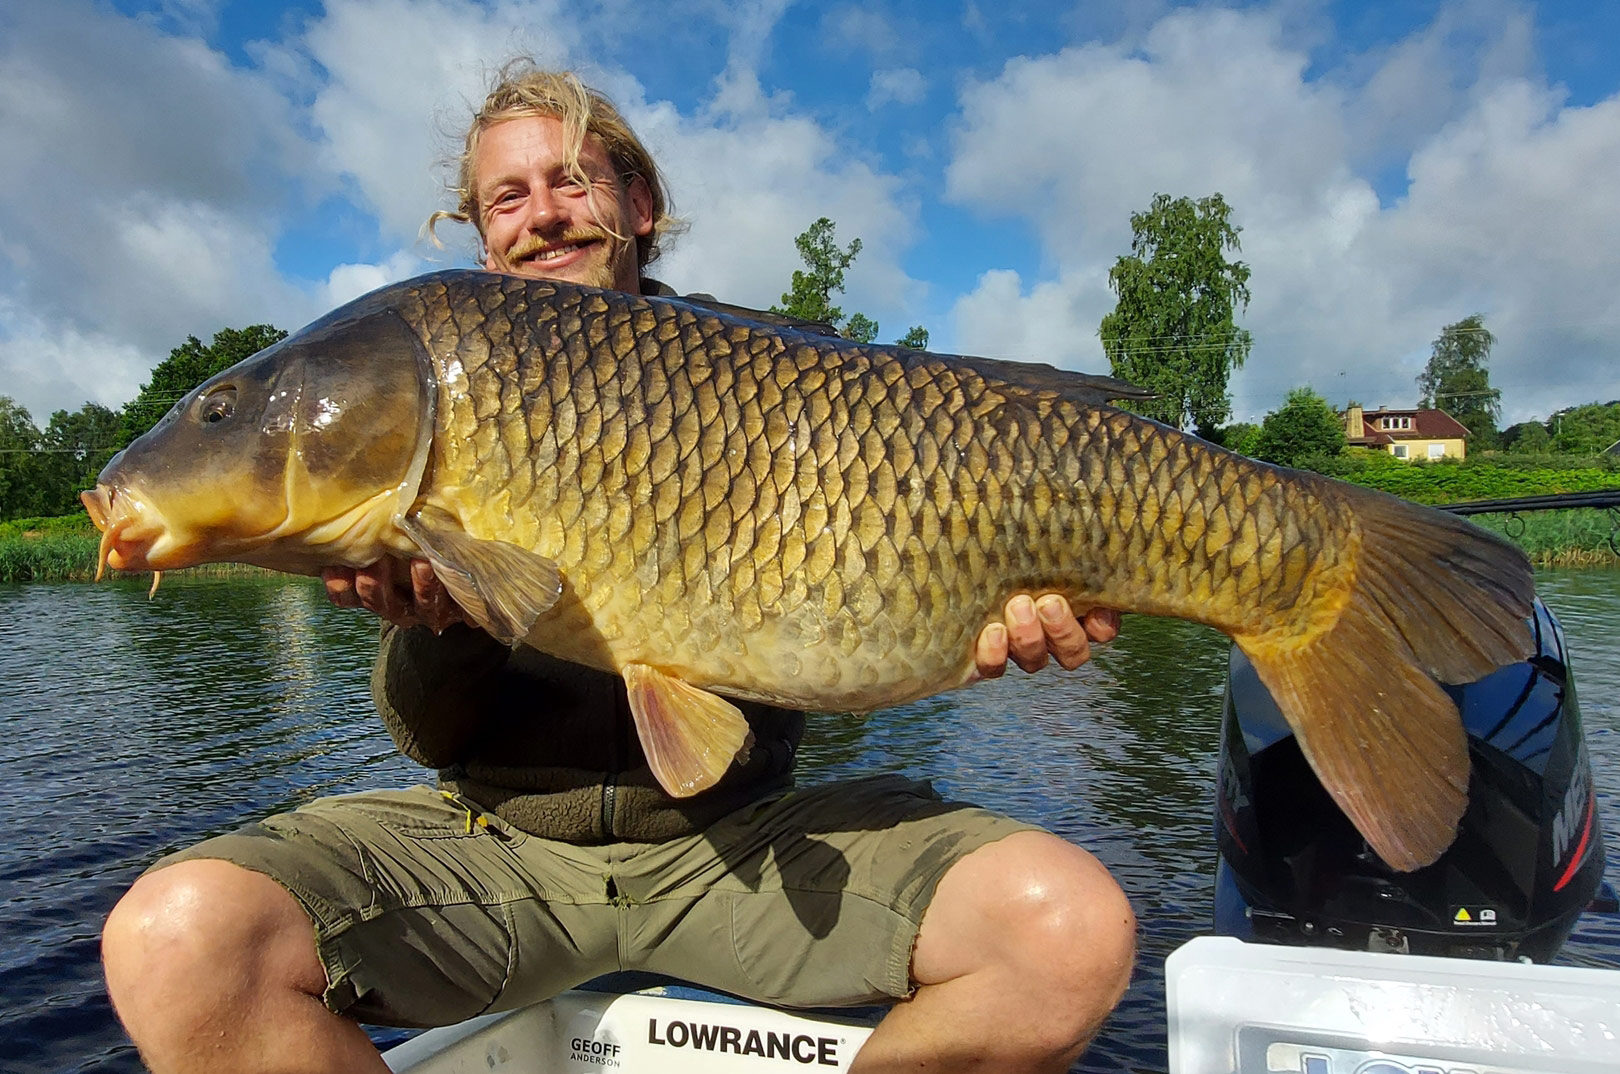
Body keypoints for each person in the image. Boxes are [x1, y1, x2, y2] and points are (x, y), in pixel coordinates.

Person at [101, 63, 1136, 1074]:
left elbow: (854, 648)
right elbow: (428, 736)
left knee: (1068, 935)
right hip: (498, 853)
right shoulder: (431, 405)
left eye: (571, 180)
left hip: (740, 841)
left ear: (638, 203)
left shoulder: (767, 364)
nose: (542, 214)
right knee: (177, 941)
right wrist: (443, 624)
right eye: (508, 196)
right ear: (482, 231)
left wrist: (991, 622)